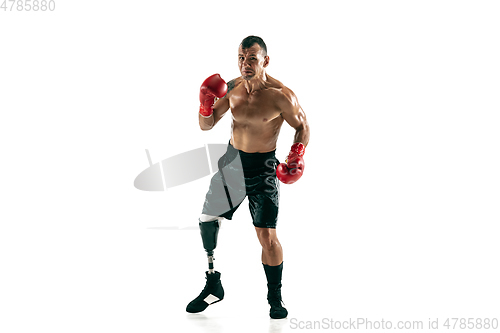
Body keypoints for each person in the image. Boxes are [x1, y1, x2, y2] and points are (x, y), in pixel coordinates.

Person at [186, 36, 310, 319]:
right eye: (241, 58)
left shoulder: (281, 95)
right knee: (207, 218)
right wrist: (205, 103)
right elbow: (206, 126)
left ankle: (275, 297)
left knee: (267, 236)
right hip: (232, 163)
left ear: (265, 60)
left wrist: (297, 153)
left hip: (263, 167)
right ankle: (212, 283)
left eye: (252, 58)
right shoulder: (232, 88)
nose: (245, 64)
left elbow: (302, 126)